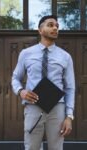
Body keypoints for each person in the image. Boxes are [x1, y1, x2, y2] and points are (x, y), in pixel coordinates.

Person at [11, 15, 75, 150]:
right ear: (40, 30)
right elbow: (15, 78)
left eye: (57, 26)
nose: (55, 28)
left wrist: (69, 116)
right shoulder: (26, 53)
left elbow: (70, 87)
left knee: (56, 147)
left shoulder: (65, 57)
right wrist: (20, 91)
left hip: (57, 107)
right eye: (50, 25)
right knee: (32, 147)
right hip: (33, 105)